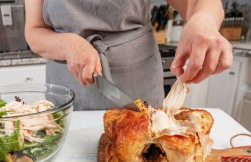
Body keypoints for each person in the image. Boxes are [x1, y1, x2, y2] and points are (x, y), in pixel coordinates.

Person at [25, 0, 233, 110]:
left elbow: (200, 3)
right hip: (69, 87)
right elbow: (34, 33)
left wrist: (203, 21)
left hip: (138, 82)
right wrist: (67, 45)